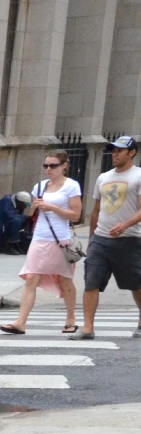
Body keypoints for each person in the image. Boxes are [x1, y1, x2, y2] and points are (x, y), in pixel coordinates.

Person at [2, 152, 83, 335]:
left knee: (64, 279)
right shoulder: (39, 186)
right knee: (31, 278)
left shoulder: (71, 186)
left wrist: (52, 207)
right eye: (46, 166)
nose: (48, 169)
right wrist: (34, 207)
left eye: (53, 166)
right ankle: (20, 322)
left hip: (60, 239)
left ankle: (70, 318)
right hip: (40, 237)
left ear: (64, 166)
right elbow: (30, 214)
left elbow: (76, 215)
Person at [82, 134, 141, 340]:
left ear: (131, 153)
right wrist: (91, 239)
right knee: (91, 282)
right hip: (101, 239)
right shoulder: (103, 177)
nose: (114, 154)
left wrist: (125, 225)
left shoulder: (138, 176)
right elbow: (96, 210)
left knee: (136, 283)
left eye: (119, 151)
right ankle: (87, 327)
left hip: (129, 239)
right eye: (113, 150)